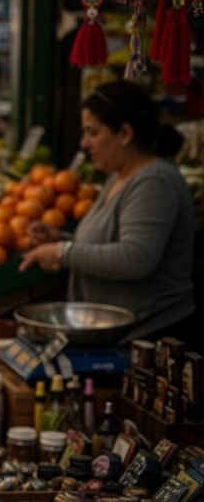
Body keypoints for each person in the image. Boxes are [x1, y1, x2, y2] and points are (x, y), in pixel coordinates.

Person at [20, 80, 194, 341]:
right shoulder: (119, 176)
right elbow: (111, 244)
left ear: (124, 133)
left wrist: (64, 253)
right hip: (117, 334)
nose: (84, 144)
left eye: (92, 133)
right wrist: (62, 241)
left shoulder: (155, 181)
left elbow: (136, 258)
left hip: (151, 338)